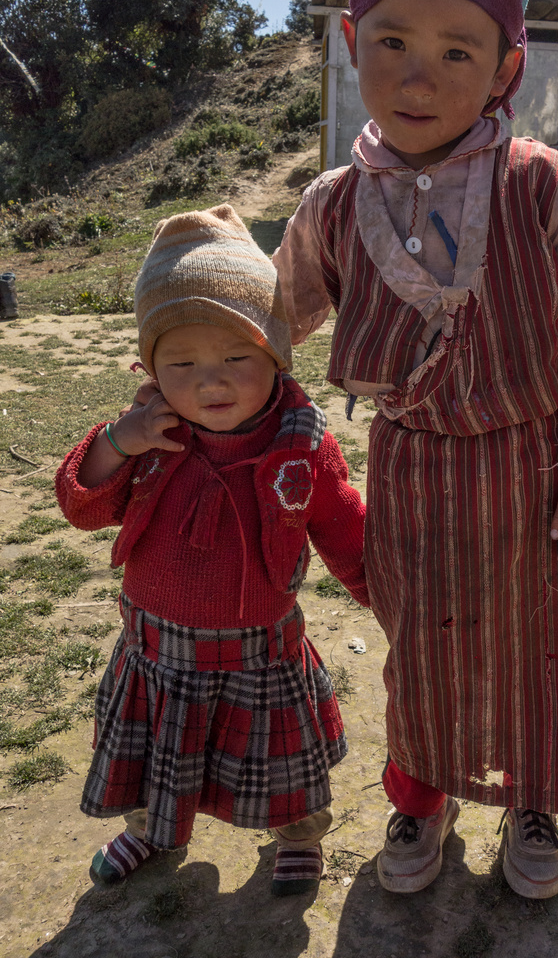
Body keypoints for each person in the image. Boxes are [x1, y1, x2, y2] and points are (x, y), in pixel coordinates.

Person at [273, 0, 558, 900]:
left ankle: (530, 797)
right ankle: (424, 792)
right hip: (411, 469)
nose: (417, 73)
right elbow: (276, 317)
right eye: (393, 39)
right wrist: (200, 348)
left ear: (504, 69)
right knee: (425, 645)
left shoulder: (545, 187)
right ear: (352, 41)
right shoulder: (334, 202)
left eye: (458, 51)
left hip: (534, 470)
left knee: (544, 645)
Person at [56, 205, 368, 897]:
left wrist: (388, 592)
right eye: (182, 363)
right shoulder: (146, 436)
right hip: (158, 654)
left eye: (236, 358)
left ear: (276, 355)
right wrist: (117, 442)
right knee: (152, 758)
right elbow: (82, 506)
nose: (210, 382)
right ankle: (149, 827)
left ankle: (297, 837)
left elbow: (345, 528)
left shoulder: (300, 445)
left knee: (286, 766)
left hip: (262, 653)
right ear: (149, 367)